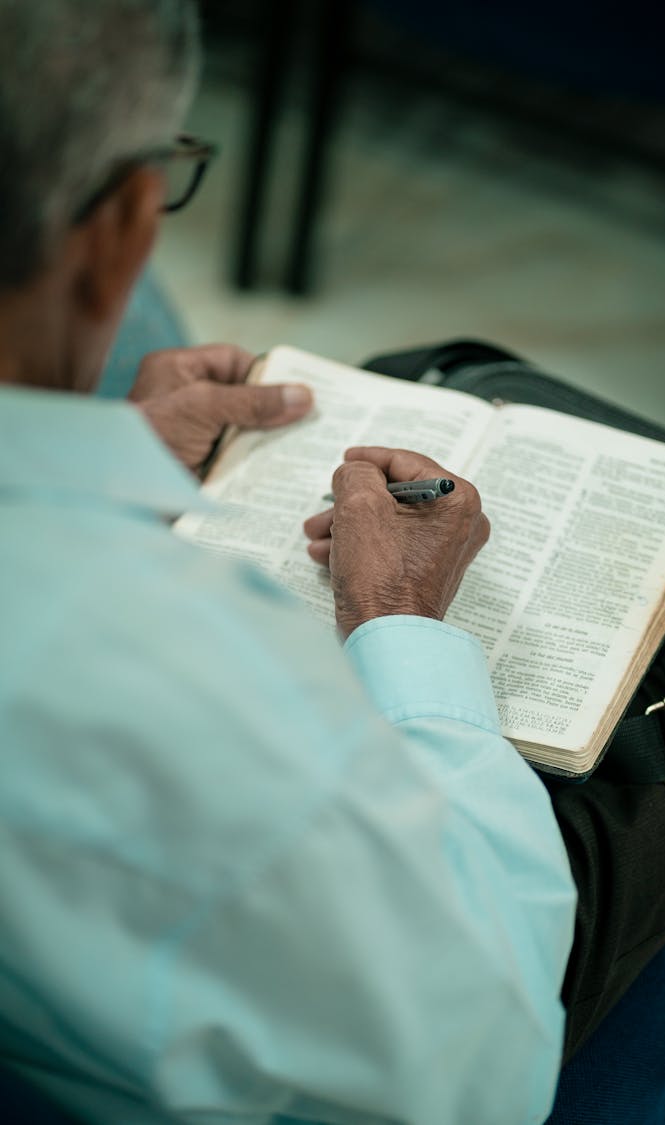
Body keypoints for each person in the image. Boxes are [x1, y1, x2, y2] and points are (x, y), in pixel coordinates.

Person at [0, 2, 576, 1122]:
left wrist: (98, 450)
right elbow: (490, 1077)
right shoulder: (181, 680)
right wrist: (402, 620)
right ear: (122, 225)